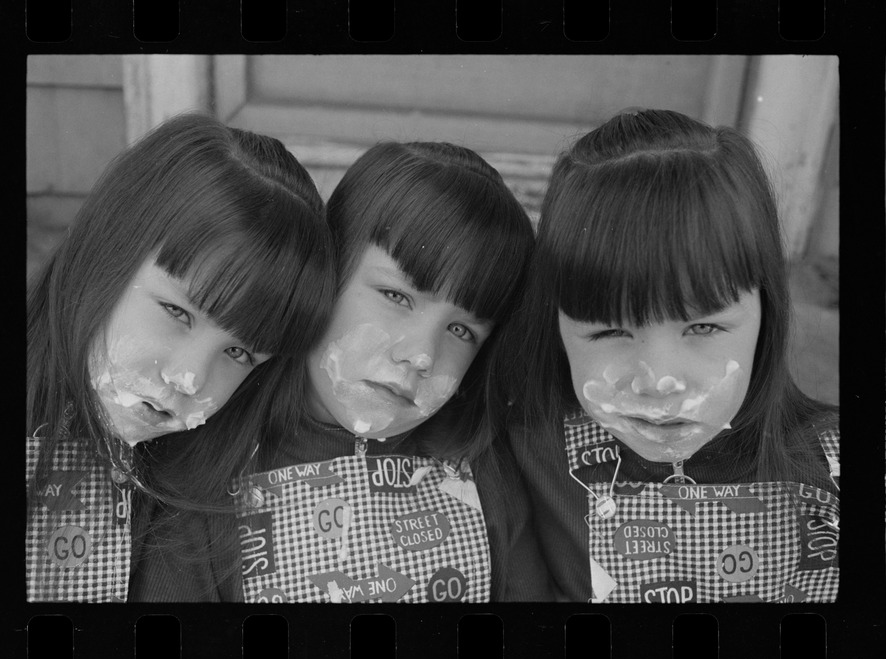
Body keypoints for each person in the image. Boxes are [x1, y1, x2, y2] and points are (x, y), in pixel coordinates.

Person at [492, 109, 840, 603]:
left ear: (767, 309)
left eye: (703, 326)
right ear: (556, 322)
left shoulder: (836, 470)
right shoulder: (531, 453)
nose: (658, 382)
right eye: (610, 329)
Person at [26, 113, 335, 602]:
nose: (189, 378)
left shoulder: (202, 510)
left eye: (238, 352)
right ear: (107, 248)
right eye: (176, 311)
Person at [226, 140, 550, 603]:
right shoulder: (219, 457)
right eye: (397, 297)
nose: (422, 354)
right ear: (328, 271)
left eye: (461, 329)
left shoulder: (484, 473)